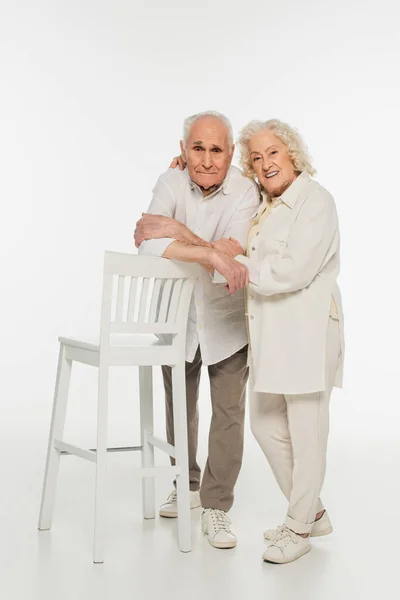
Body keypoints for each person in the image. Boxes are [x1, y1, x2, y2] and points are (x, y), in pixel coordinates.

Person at [213, 118, 345, 564]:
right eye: (256, 157)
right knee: (265, 422)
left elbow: (294, 269)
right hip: (273, 331)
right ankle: (313, 511)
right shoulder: (268, 204)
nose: (265, 163)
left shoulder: (316, 201)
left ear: (292, 153)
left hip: (307, 329)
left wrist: (239, 269)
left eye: (273, 152)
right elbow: (219, 181)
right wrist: (179, 170)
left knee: (307, 432)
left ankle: (299, 526)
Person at [134, 110, 260, 549]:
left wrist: (175, 231)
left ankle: (216, 507)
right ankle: (185, 486)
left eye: (217, 150)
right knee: (179, 408)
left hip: (227, 319)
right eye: (198, 148)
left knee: (228, 414)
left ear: (230, 154)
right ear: (184, 149)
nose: (206, 159)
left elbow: (233, 247)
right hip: (177, 316)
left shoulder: (245, 191)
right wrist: (209, 256)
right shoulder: (170, 182)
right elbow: (148, 245)